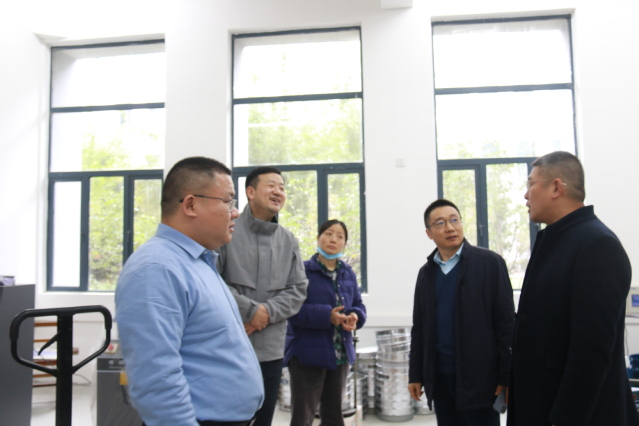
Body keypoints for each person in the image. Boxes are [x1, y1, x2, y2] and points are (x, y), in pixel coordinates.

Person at [115, 157, 264, 426]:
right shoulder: (156, 269)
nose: (236, 212)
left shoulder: (198, 261)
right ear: (191, 205)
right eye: (228, 201)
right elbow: (156, 380)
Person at [508, 151, 639, 426]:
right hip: (541, 404)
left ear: (556, 187)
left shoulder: (597, 245)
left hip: (572, 415)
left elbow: (591, 352)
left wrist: (564, 419)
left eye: (530, 184)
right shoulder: (558, 240)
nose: (525, 195)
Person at [408, 199, 515, 426]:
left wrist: (506, 376)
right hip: (440, 379)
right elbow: (420, 329)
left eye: (454, 220)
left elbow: (506, 325)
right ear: (429, 233)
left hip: (481, 379)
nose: (450, 228)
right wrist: (415, 375)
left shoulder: (490, 264)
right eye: (440, 223)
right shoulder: (426, 274)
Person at [217, 166, 308, 426]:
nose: (278, 191)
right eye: (271, 185)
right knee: (229, 419)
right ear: (250, 192)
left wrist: (264, 313)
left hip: (271, 352)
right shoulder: (227, 232)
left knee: (263, 419)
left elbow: (298, 288)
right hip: (230, 346)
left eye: (282, 187)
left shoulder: (288, 240)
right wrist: (249, 311)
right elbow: (212, 281)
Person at [284, 219, 367, 426]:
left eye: (340, 236)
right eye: (329, 234)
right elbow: (292, 309)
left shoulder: (347, 273)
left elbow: (358, 304)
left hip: (339, 355)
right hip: (307, 355)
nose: (333, 239)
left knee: (334, 416)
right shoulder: (302, 271)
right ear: (318, 237)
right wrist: (327, 316)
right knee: (303, 416)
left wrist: (355, 316)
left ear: (344, 243)